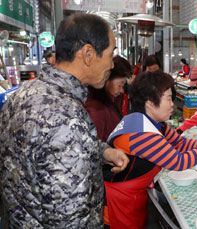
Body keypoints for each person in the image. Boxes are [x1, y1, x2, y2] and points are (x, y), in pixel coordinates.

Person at [0, 13, 129, 228]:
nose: (111, 65)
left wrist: (102, 151)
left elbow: (43, 152)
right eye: (110, 54)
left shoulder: (24, 93)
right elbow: (68, 221)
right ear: (88, 54)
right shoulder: (67, 117)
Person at [102, 70, 197, 228]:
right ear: (150, 102)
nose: (172, 104)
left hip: (136, 193)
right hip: (121, 200)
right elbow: (178, 161)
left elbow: (181, 143)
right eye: (169, 98)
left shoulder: (154, 123)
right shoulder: (140, 133)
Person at [84, 56, 131, 142]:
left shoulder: (112, 102)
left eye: (123, 86)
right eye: (119, 85)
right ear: (106, 80)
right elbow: (95, 144)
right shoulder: (96, 109)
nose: (121, 90)